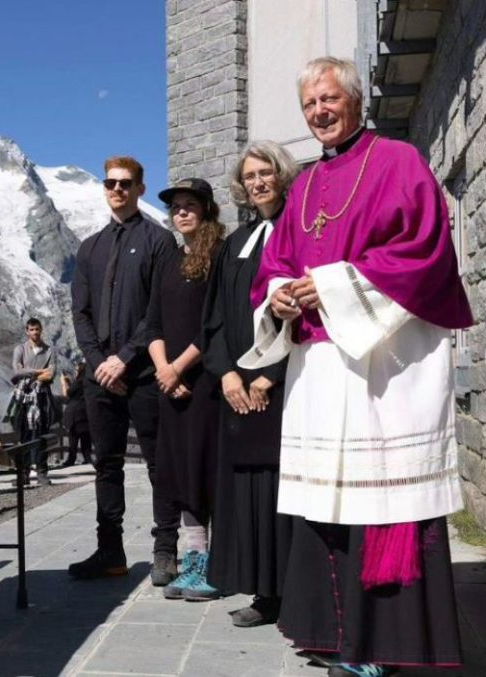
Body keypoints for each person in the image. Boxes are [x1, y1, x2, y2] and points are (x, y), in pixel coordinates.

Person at [240, 57, 471, 676]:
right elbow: (274, 268)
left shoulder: (398, 162)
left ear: (355, 100)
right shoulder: (306, 186)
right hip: (319, 369)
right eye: (309, 104)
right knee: (328, 504)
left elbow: (423, 251)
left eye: (327, 99)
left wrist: (336, 286)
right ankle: (333, 634)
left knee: (379, 502)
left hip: (383, 367)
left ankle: (385, 643)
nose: (318, 112)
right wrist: (282, 295)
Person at [69, 156, 180, 583]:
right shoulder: (89, 248)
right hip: (101, 378)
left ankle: (165, 550)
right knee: (106, 464)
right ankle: (110, 552)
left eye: (126, 183)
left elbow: (158, 311)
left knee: (158, 462)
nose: (117, 189)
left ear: (140, 188)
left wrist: (125, 358)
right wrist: (99, 364)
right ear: (104, 188)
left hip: (143, 374)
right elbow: (80, 313)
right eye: (111, 183)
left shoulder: (158, 241)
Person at [202, 142, 299, 626]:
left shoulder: (299, 232)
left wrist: (268, 375)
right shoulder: (233, 243)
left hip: (283, 387)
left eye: (266, 173)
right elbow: (214, 318)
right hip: (236, 389)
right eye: (250, 176)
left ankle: (291, 592)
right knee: (243, 492)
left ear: (282, 176)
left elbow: (301, 316)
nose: (258, 182)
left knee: (280, 489)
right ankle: (262, 593)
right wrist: (226, 374)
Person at [145, 178, 225, 601]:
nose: (182, 212)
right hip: (170, 382)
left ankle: (213, 562)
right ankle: (194, 557)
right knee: (179, 472)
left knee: (203, 470)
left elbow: (214, 324)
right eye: (176, 206)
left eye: (190, 205)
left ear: (206, 209)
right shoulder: (169, 261)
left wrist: (177, 368)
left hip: (204, 382)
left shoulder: (218, 257)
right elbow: (153, 322)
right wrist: (163, 369)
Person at [10, 317, 56, 486]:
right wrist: (39, 371)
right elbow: (16, 371)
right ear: (26, 331)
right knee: (24, 435)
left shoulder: (49, 350)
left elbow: (51, 374)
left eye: (37, 329)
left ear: (41, 330)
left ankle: (42, 473)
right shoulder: (20, 349)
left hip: (42, 397)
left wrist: (28, 372)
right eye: (31, 329)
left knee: (41, 434)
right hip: (24, 398)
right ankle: (23, 474)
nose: (34, 332)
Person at [60, 362, 92, 467]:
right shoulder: (87, 381)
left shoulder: (78, 382)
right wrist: (70, 383)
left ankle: (71, 459)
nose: (75, 372)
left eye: (76, 370)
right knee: (85, 437)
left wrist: (63, 383)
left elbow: (67, 394)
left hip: (75, 413)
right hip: (85, 412)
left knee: (73, 437)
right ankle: (88, 458)